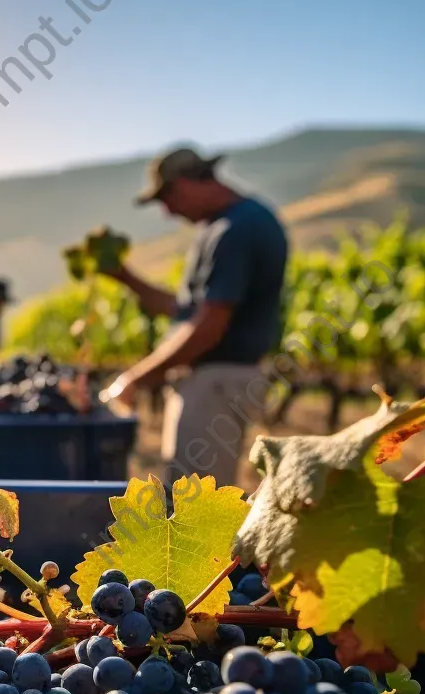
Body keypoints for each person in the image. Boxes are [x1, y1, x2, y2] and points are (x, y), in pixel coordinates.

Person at [100, 147, 287, 490]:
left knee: (195, 504)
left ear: (184, 184)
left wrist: (136, 379)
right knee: (192, 499)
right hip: (212, 382)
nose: (168, 212)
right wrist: (125, 277)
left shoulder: (236, 230)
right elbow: (187, 311)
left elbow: (208, 327)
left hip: (215, 384)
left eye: (167, 199)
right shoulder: (229, 226)